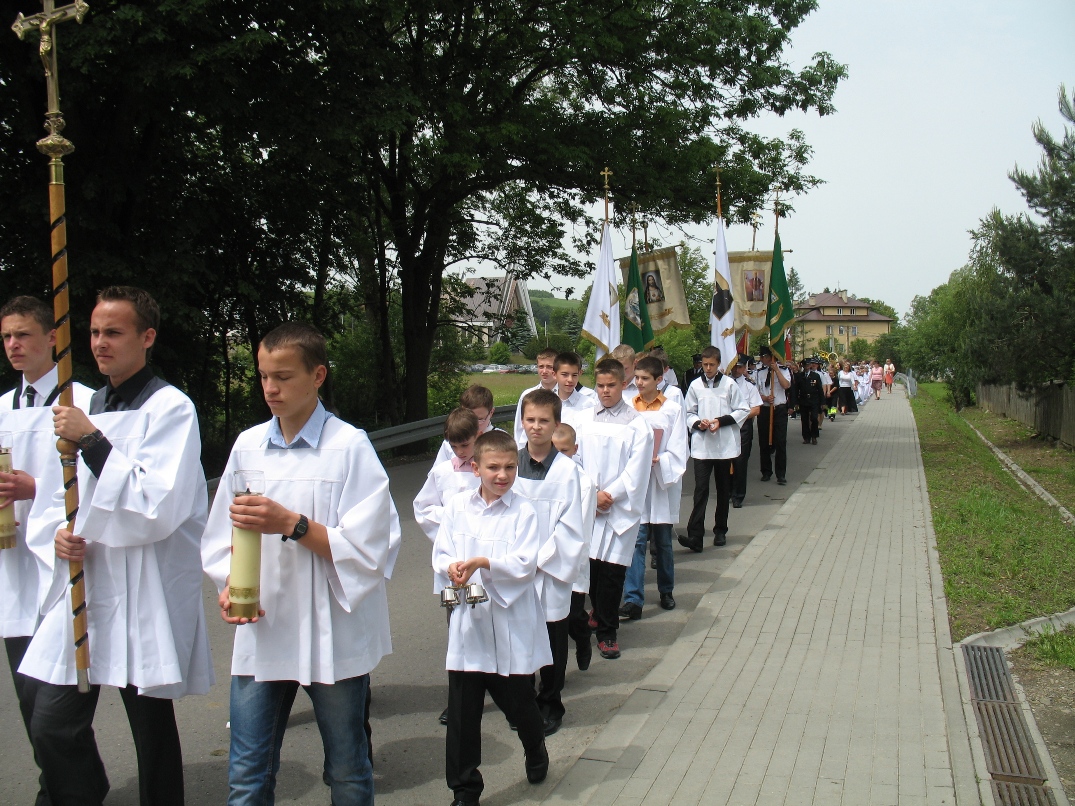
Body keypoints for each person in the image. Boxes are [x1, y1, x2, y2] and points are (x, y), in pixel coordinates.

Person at [21, 286, 213, 806]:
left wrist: (92, 440)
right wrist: (57, 534)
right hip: (88, 581)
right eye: (94, 332)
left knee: (150, 727)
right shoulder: (82, 406)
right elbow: (57, 494)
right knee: (51, 722)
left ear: (147, 337)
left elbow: (159, 503)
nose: (100, 343)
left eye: (113, 332)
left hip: (143, 585)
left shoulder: (170, 408)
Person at [201, 322, 392, 805]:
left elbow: (372, 547)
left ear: (318, 375)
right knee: (247, 774)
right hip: (263, 628)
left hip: (330, 632)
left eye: (283, 377)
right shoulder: (247, 446)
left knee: (347, 768)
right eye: (264, 376)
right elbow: (222, 535)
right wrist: (229, 585)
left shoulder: (348, 446)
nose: (270, 388)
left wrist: (291, 522)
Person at [1, 295, 94, 805]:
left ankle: (69, 793)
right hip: (13, 566)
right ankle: (65, 784)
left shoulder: (82, 402)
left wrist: (34, 488)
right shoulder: (1, 408)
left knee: (55, 705)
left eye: (22, 334)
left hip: (64, 563)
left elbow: (96, 483)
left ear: (52, 338)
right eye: (6, 337)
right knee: (27, 697)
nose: (13, 345)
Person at [433, 429, 551, 805]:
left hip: (509, 622)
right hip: (469, 624)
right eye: (493, 467)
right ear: (475, 468)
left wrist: (484, 562)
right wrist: (451, 567)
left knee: (519, 703)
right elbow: (441, 551)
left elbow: (525, 564)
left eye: (510, 468)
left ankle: (535, 747)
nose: (502, 475)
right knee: (463, 714)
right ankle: (465, 789)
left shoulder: (524, 511)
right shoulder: (457, 508)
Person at [513, 389, 585, 735]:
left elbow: (571, 527)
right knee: (520, 637)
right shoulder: (510, 466)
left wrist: (539, 560)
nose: (536, 427)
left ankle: (551, 702)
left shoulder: (567, 472)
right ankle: (524, 702)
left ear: (557, 424)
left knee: (553, 637)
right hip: (516, 568)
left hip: (550, 569)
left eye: (544, 421)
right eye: (530, 419)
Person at [572, 358, 653, 660]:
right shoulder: (583, 420)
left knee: (613, 573)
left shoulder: (637, 425)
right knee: (591, 570)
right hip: (590, 506)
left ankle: (608, 632)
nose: (605, 391)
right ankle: (597, 613)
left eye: (611, 385)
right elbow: (573, 460)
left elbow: (637, 470)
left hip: (619, 509)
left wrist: (611, 494)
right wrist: (592, 494)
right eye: (600, 385)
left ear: (623, 384)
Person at [619, 356, 687, 619]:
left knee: (663, 542)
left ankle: (666, 590)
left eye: (645, 378)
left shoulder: (672, 409)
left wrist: (661, 460)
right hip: (636, 482)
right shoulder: (628, 407)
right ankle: (633, 598)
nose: (638, 382)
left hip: (660, 484)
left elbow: (679, 447)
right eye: (637, 377)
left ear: (659, 380)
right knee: (635, 541)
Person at [681, 346, 749, 551]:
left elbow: (743, 410)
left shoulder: (729, 384)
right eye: (705, 364)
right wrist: (698, 423)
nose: (708, 368)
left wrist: (721, 421)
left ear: (719, 364)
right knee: (700, 490)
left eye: (712, 364)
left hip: (723, 446)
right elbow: (688, 412)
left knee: (723, 489)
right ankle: (696, 536)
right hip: (702, 446)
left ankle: (720, 530)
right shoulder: (695, 385)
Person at [552, 423, 597, 671]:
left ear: (575, 449)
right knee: (551, 620)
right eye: (554, 449)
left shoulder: (584, 483)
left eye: (564, 450)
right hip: (547, 561)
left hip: (573, 560)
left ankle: (583, 638)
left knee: (572, 616)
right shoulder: (544, 477)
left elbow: (583, 530)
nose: (559, 456)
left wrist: (573, 562)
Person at [414, 408, 481, 541]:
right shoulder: (443, 472)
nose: (459, 452)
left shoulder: (491, 470)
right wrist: (449, 514)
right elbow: (423, 508)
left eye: (464, 445)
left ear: (478, 436)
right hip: (452, 540)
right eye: (453, 446)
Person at [434, 384, 498, 464]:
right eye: (467, 418)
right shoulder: (452, 441)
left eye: (479, 419)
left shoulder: (501, 440)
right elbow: (438, 469)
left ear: (491, 412)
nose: (473, 424)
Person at [756, 346, 792, 485]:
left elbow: (786, 385)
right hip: (765, 409)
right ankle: (766, 471)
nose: (762, 359)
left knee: (780, 442)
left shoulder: (784, 370)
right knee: (764, 442)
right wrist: (765, 398)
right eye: (761, 357)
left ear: (771, 357)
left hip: (779, 409)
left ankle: (781, 474)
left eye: (764, 356)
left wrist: (776, 370)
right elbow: (755, 392)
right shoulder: (759, 372)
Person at [730, 355, 762, 508]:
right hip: (725, 428)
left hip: (743, 427)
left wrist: (737, 417)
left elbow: (756, 409)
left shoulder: (750, 386)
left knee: (740, 462)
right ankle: (726, 491)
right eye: (734, 366)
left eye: (740, 367)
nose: (737, 369)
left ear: (745, 368)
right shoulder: (723, 384)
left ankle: (738, 495)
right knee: (725, 461)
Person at [512, 348, 558, 445]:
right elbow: (519, 429)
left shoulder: (564, 395)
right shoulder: (527, 394)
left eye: (549, 367)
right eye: (541, 366)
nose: (544, 371)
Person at [552, 351, 596, 428]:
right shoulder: (546, 402)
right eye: (565, 375)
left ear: (580, 373)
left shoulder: (588, 404)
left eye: (574, 375)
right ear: (554, 374)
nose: (570, 380)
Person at [796, 357, 825, 445]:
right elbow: (796, 390)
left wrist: (822, 402)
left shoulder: (815, 375)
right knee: (804, 420)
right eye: (805, 365)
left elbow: (820, 390)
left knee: (814, 418)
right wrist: (796, 402)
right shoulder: (800, 376)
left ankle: (814, 436)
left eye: (808, 365)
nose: (807, 366)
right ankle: (806, 437)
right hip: (803, 400)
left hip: (814, 400)